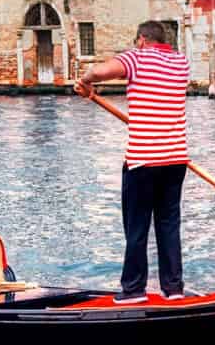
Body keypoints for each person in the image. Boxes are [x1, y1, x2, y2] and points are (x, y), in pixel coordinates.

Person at [76, 20, 190, 302]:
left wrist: (87, 80)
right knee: (168, 224)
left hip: (143, 161)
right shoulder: (181, 63)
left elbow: (101, 71)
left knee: (137, 227)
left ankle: (133, 290)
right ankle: (173, 289)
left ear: (141, 39)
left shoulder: (136, 58)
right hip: (176, 158)